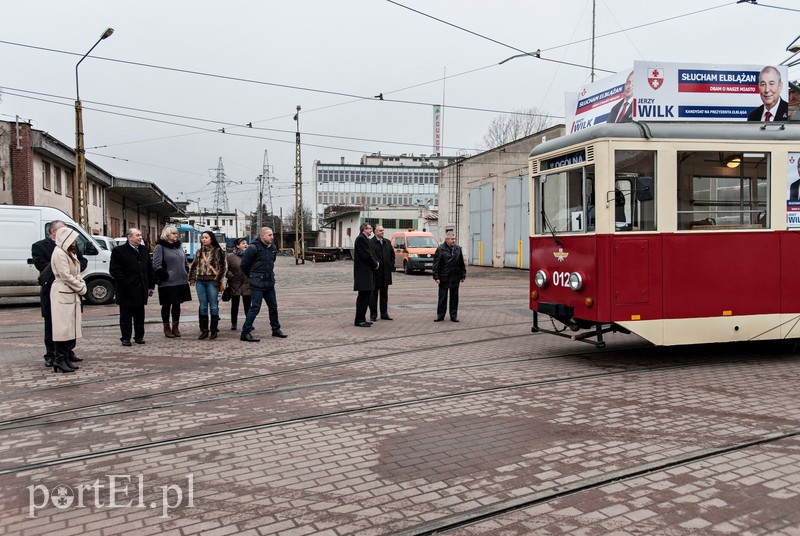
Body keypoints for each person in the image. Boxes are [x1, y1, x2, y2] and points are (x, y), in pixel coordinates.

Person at [31, 220, 87, 367]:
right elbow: (44, 266)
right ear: (54, 232)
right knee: (54, 325)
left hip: (71, 291)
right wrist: (77, 283)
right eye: (64, 230)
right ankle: (52, 355)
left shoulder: (70, 246)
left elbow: (81, 262)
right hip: (54, 291)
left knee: (69, 324)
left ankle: (67, 352)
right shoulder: (42, 247)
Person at [49, 227, 88, 373]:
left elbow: (76, 273)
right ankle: (59, 359)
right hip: (63, 292)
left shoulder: (69, 253)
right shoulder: (59, 253)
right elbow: (65, 275)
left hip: (70, 292)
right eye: (73, 238)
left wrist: (79, 282)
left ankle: (64, 357)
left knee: (69, 327)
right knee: (62, 328)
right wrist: (81, 287)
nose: (75, 241)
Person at [240, 227, 286, 341]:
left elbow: (272, 262)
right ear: (262, 236)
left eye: (272, 235)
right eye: (269, 235)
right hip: (257, 283)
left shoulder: (272, 248)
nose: (272, 237)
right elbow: (244, 265)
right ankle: (245, 332)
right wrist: (253, 276)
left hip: (269, 282)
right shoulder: (253, 248)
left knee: (273, 306)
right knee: (255, 308)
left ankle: (276, 329)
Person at [110, 228, 155, 346]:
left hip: (141, 288)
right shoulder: (119, 251)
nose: (140, 237)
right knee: (126, 315)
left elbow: (149, 270)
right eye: (137, 235)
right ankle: (126, 337)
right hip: (126, 289)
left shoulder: (144, 250)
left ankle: (139, 336)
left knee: (140, 315)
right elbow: (115, 270)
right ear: (129, 237)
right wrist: (124, 283)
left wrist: (151, 285)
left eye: (140, 235)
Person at [152, 225, 192, 338]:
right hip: (168, 282)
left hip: (180, 280)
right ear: (167, 235)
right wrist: (165, 275)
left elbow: (184, 261)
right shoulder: (160, 247)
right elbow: (156, 264)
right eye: (173, 233)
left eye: (176, 233)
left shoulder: (179, 247)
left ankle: (175, 327)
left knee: (177, 305)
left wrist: (186, 270)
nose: (176, 235)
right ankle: (166, 327)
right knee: (166, 305)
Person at [189, 231, 227, 340]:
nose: (204, 239)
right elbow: (194, 266)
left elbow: (223, 267)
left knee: (214, 305)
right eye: (202, 238)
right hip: (200, 281)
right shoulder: (199, 252)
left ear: (211, 239)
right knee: (203, 306)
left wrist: (218, 280)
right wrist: (192, 278)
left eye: (206, 237)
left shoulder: (217, 251)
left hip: (212, 281)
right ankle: (204, 330)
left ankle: (214, 330)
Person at [432, 231, 467, 322]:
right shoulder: (440, 249)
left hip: (455, 277)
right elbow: (436, 264)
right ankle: (440, 315)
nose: (454, 240)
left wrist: (463, 275)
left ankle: (453, 316)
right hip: (444, 277)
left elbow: (461, 263)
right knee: (442, 298)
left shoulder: (458, 249)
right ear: (447, 239)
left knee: (454, 298)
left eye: (454, 239)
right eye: (452, 239)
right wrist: (436, 277)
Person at [353, 223, 379, 327]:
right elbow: (367, 255)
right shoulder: (360, 239)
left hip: (367, 272)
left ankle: (362, 318)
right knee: (363, 297)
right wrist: (375, 263)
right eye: (369, 229)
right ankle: (359, 320)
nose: (371, 231)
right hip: (363, 274)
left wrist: (376, 261)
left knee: (367, 297)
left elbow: (372, 253)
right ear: (364, 229)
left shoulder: (365, 239)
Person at [368, 224, 395, 321]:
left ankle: (384, 314)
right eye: (380, 230)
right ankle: (373, 315)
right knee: (373, 296)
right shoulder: (371, 243)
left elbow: (392, 255)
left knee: (384, 295)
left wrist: (390, 265)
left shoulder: (387, 242)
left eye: (383, 230)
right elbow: (369, 256)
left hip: (385, 273)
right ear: (375, 231)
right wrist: (375, 265)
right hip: (375, 273)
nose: (382, 232)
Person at [226, 237, 252, 331]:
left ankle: (249, 323)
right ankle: (234, 323)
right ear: (237, 246)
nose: (245, 245)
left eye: (246, 243)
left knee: (248, 306)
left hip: (247, 284)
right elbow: (226, 269)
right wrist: (230, 275)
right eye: (243, 243)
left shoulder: (250, 255)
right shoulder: (231, 257)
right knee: (235, 305)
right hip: (235, 284)